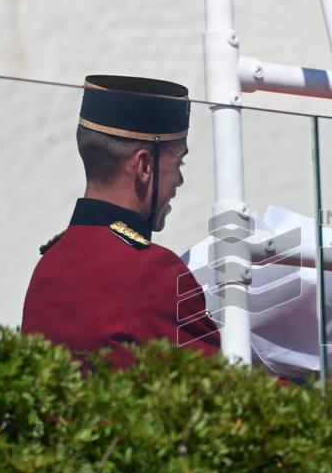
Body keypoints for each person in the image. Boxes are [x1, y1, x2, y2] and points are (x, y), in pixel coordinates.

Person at [22, 75, 220, 366]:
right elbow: (219, 384)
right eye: (178, 162)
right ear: (144, 166)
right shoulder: (153, 272)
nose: (179, 180)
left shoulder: (49, 264)